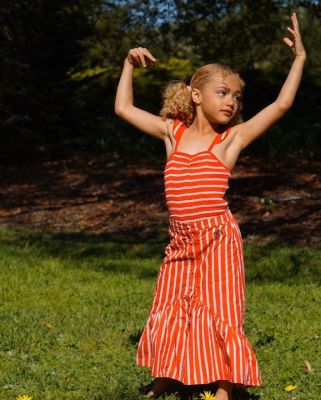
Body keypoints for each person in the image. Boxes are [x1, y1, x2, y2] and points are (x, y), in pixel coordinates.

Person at [114, 12, 306, 400]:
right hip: (181, 240)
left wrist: (300, 59)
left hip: (218, 239)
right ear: (196, 95)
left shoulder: (231, 140)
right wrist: (127, 65)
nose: (232, 102)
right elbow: (123, 108)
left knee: (221, 310)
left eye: (236, 96)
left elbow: (281, 105)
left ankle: (224, 387)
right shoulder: (173, 132)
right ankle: (168, 374)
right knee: (171, 305)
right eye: (223, 92)